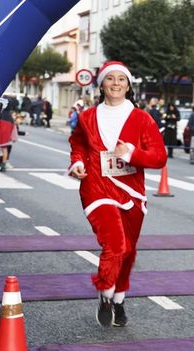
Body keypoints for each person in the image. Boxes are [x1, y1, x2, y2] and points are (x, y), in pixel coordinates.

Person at [68, 61, 167, 327]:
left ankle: (119, 299)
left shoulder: (142, 118)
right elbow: (78, 143)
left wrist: (132, 154)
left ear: (128, 85)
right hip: (96, 187)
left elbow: (159, 157)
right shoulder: (87, 117)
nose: (116, 83)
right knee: (115, 244)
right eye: (110, 79)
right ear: (101, 84)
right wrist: (77, 163)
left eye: (121, 79)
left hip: (131, 191)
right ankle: (105, 291)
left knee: (128, 251)